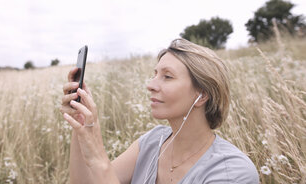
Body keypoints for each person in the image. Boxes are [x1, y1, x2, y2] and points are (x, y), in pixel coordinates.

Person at [60, 38, 259, 184]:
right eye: (155, 74)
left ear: (203, 95)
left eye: (168, 77)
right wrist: (80, 124)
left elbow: (103, 173)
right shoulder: (152, 142)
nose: (151, 85)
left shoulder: (232, 172)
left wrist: (98, 157)